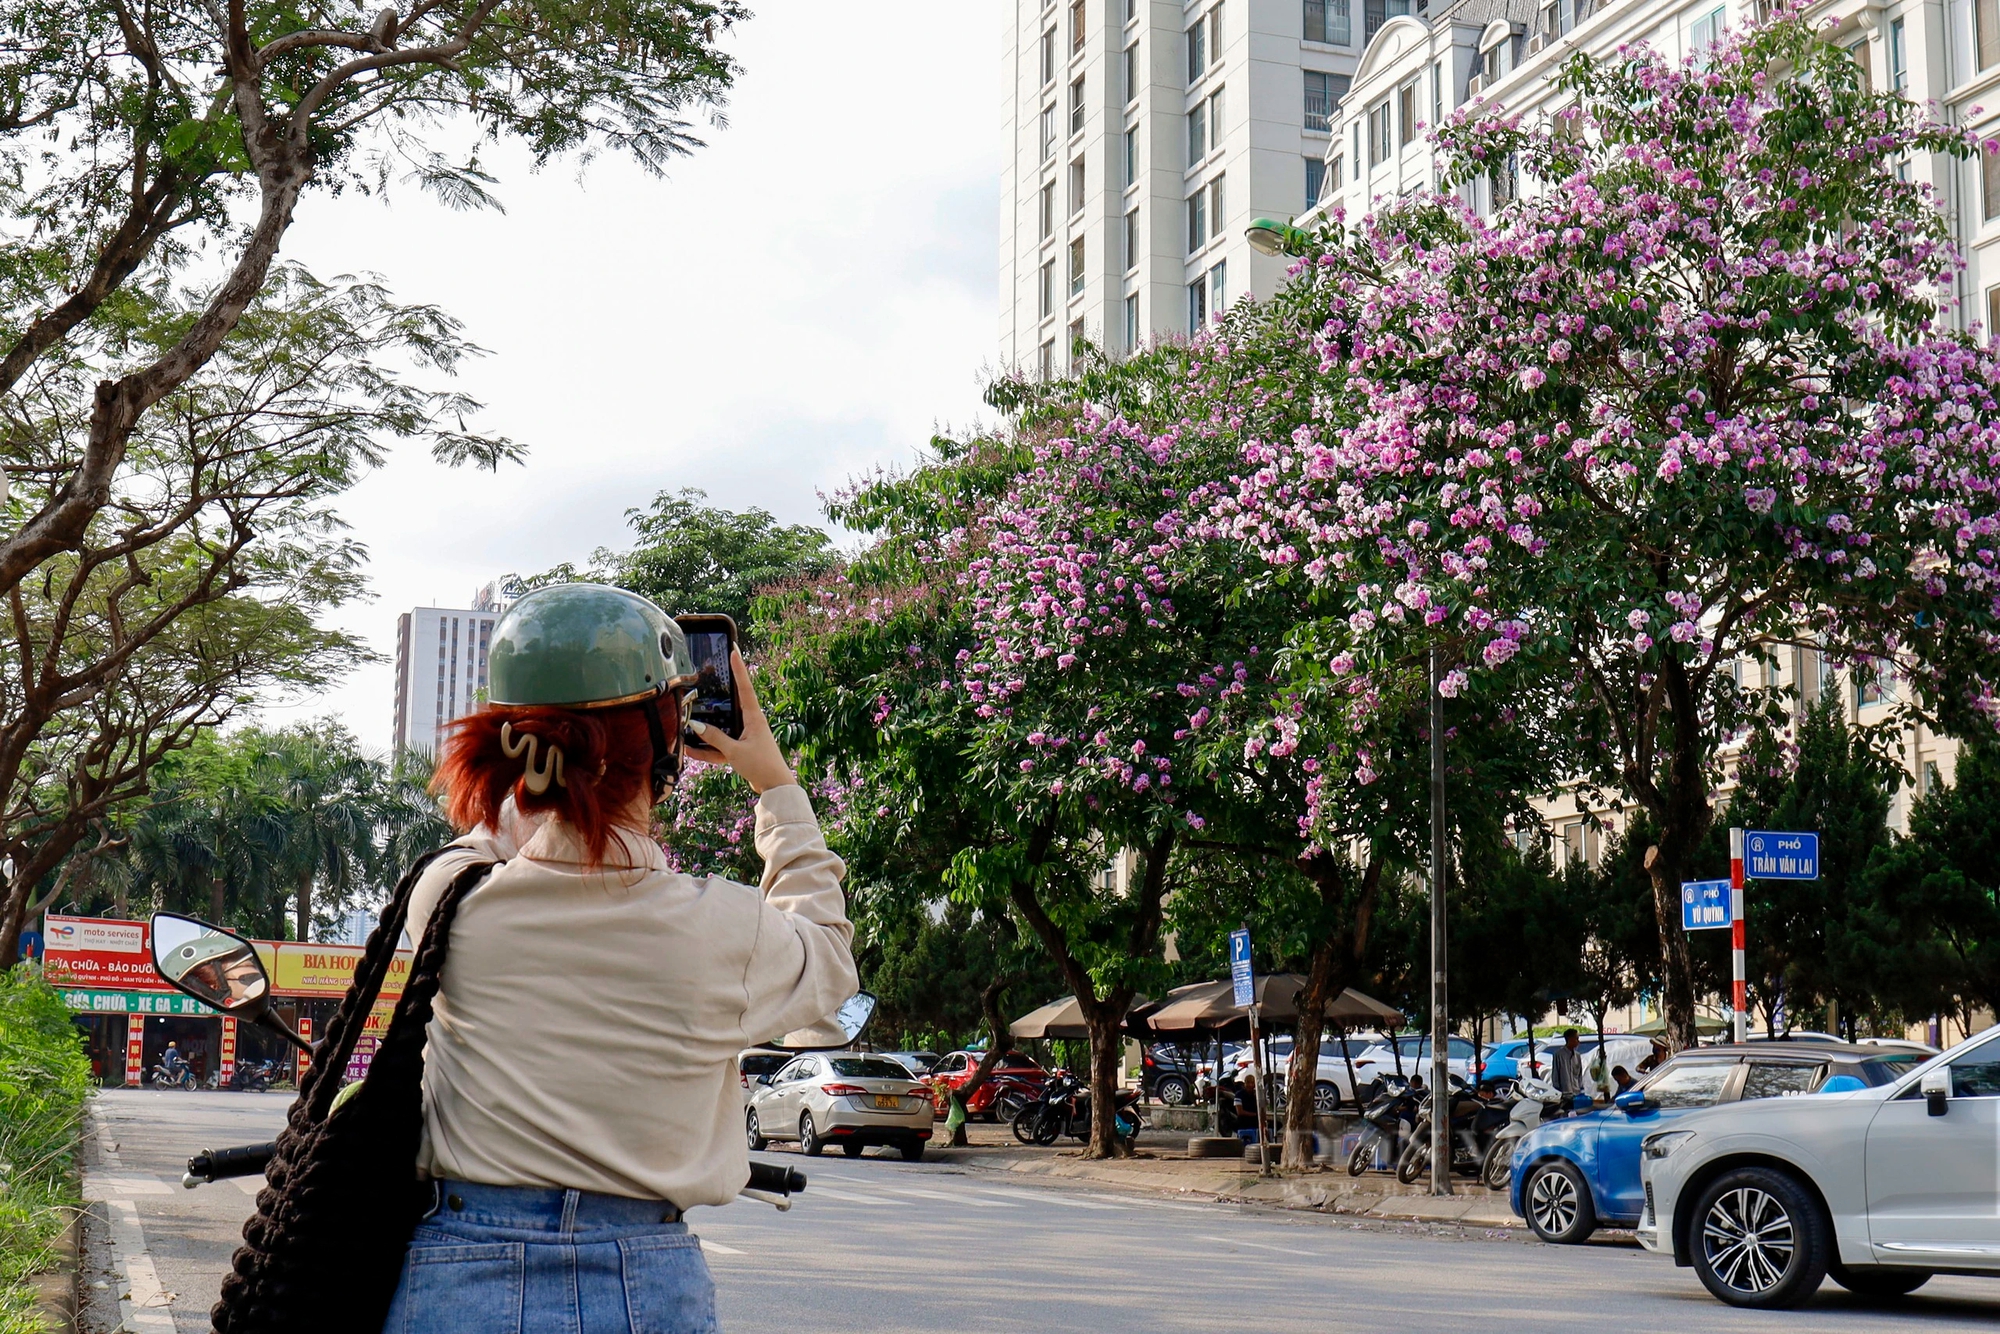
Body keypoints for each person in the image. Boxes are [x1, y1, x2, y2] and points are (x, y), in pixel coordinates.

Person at [380, 584, 857, 1334]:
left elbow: (494, 834)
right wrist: (776, 785)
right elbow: (828, 959)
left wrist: (544, 751)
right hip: (645, 1280)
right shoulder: (728, 929)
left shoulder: (447, 901)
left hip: (458, 1275)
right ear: (667, 741)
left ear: (510, 740)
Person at [1551, 1028, 1584, 1100]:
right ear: (1570, 1039)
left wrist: (1581, 1088)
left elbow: (1579, 1075)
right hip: (1564, 1094)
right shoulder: (1559, 1055)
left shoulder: (1577, 1056)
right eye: (1576, 1038)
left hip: (1576, 1093)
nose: (1578, 1041)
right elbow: (1555, 1075)